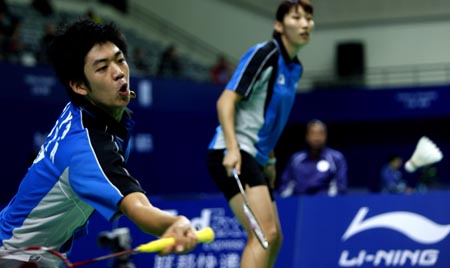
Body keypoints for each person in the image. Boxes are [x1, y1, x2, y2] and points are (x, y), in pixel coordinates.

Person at [0, 19, 197, 268]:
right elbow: (135, 206)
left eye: (120, 59)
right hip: (13, 258)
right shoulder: (86, 146)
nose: (118, 72)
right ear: (79, 85)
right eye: (102, 68)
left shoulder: (87, 112)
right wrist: (172, 223)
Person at [206, 1, 314, 267]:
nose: (305, 24)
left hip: (255, 155)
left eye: (309, 19)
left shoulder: (295, 68)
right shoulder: (265, 53)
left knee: (274, 238)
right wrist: (232, 148)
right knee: (264, 234)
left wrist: (271, 159)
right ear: (279, 25)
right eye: (297, 17)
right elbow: (225, 101)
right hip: (233, 151)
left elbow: (271, 119)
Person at [278, 119, 348, 197]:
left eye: (320, 134)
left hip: (326, 204)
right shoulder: (296, 159)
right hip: (299, 204)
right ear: (307, 136)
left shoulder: (336, 158)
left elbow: (340, 188)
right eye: (313, 133)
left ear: (326, 136)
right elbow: (285, 187)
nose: (316, 138)